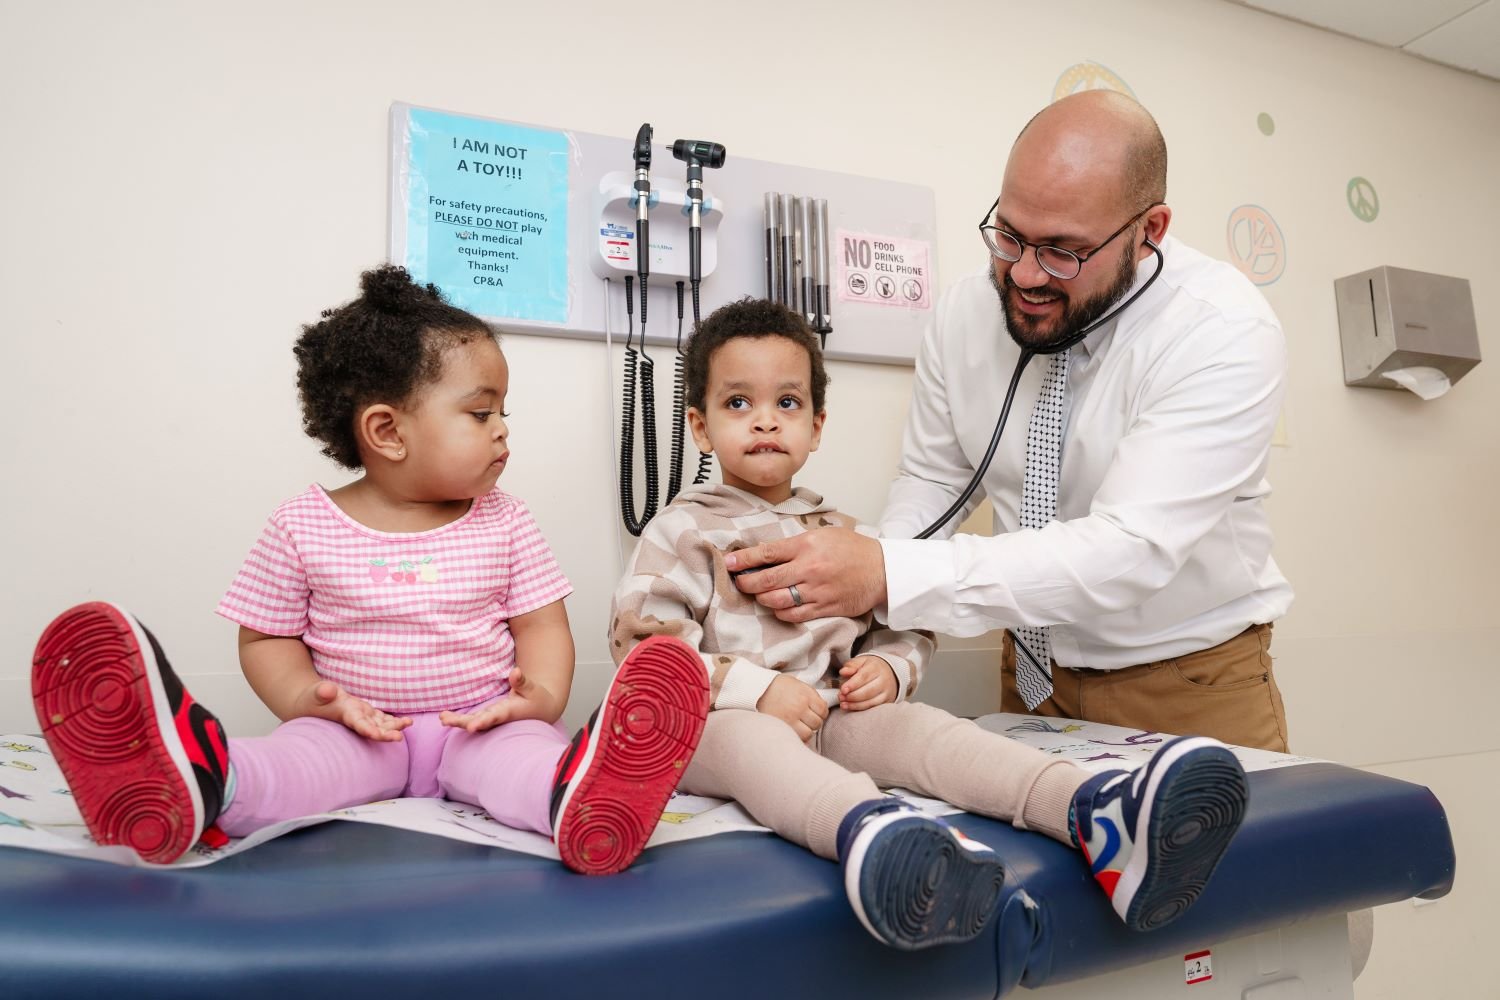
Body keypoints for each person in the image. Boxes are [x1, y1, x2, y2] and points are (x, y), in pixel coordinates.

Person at [609, 297, 1249, 950]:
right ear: (699, 425)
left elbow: (906, 619)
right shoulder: (683, 530)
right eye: (738, 403)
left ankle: (1096, 810)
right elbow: (647, 652)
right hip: (719, 729)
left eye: (788, 403)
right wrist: (758, 691)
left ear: (818, 424)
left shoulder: (845, 535)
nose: (766, 421)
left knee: (924, 730)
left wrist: (888, 667)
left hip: (833, 716)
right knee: (758, 747)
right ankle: (872, 838)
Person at [31, 265, 708, 873]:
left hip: (479, 723)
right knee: (295, 767)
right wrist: (306, 701)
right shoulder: (302, 525)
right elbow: (266, 637)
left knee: (522, 760)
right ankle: (204, 778)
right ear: (387, 432)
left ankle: (577, 796)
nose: (502, 428)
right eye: (480, 412)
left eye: (504, 411)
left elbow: (541, 624)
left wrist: (541, 696)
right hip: (356, 729)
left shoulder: (506, 518)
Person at [725, 91, 1293, 752]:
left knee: (1220, 858)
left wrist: (886, 573)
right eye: (1011, 236)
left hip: (1188, 679)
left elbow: (1125, 551)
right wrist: (872, 594)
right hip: (1031, 672)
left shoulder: (1221, 330)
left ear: (1150, 231)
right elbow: (935, 480)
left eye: (1063, 252)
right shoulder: (965, 314)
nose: (1024, 274)